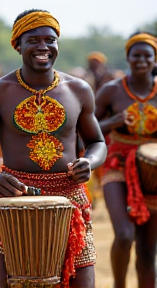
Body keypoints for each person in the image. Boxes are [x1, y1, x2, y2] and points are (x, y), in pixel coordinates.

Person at [0, 9, 107, 288]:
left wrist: (90, 163)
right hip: (13, 199)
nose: (43, 47)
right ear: (18, 45)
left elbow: (97, 142)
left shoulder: (79, 90)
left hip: (70, 198)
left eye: (50, 40)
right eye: (33, 40)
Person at [95, 32, 157, 288]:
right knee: (124, 235)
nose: (141, 60)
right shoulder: (111, 91)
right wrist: (113, 122)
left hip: (153, 172)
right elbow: (86, 130)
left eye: (147, 56)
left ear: (155, 60)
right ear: (128, 58)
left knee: (147, 250)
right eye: (136, 55)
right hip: (117, 166)